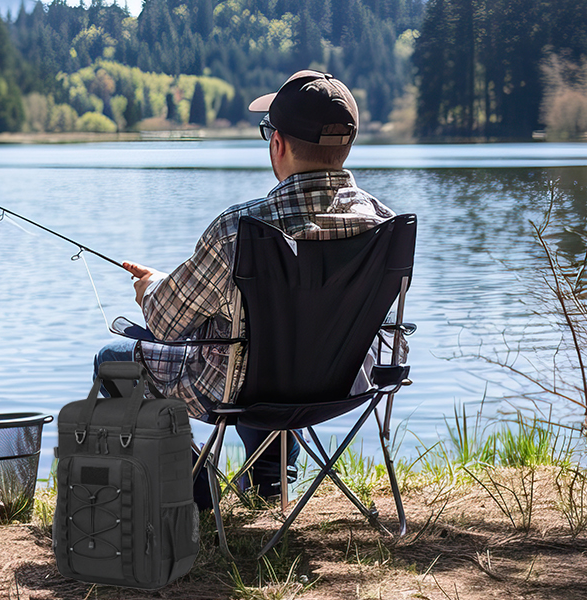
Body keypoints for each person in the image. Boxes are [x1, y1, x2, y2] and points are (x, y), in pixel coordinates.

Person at [93, 70, 397, 506]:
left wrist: (152, 286)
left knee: (113, 361)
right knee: (258, 337)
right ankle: (270, 480)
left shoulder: (238, 230)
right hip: (348, 385)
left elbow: (165, 322)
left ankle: (198, 490)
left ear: (278, 145)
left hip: (245, 390)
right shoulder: (385, 225)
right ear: (346, 145)